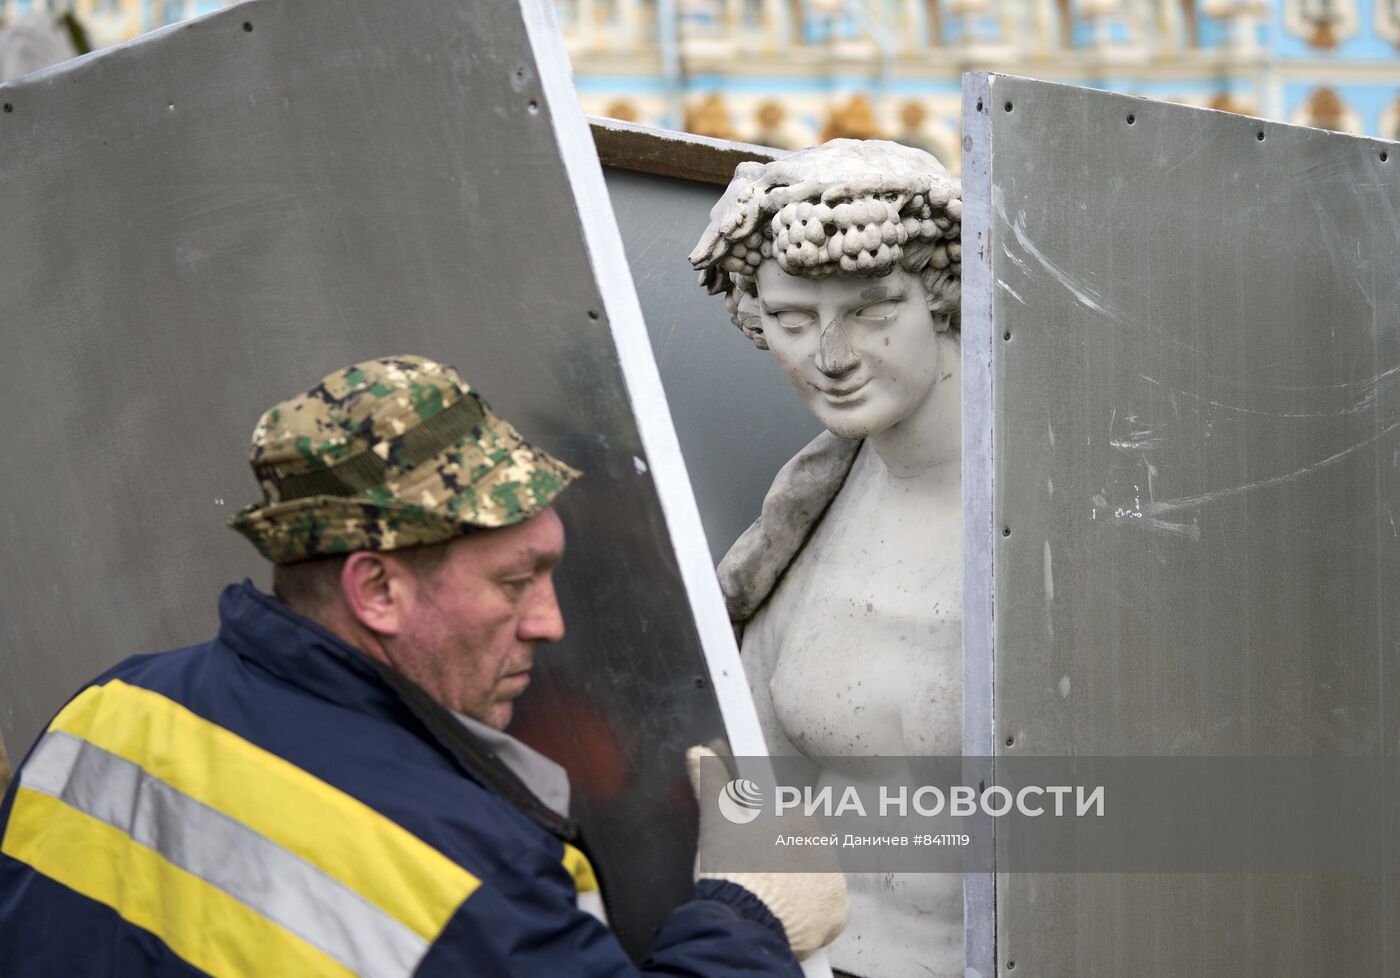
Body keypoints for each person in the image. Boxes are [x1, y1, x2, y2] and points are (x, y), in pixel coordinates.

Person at [0, 355, 845, 977]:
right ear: (377, 590)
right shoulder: (459, 875)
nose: (550, 623)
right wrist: (749, 918)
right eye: (516, 583)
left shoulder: (108, 710)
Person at [690, 141, 963, 978]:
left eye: (873, 309)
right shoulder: (801, 518)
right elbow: (750, 794)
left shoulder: (1070, 520)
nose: (831, 358)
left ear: (945, 296)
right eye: (792, 321)